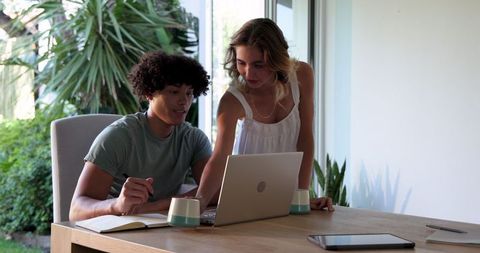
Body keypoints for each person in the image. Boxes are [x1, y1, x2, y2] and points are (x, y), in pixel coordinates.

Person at [195, 18, 334, 212]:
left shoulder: (302, 75)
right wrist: (199, 201)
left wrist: (301, 196)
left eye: (258, 65)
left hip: (287, 198)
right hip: (243, 199)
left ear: (277, 59)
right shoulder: (232, 101)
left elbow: (305, 138)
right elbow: (219, 158)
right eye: (241, 63)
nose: (248, 73)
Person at [69, 51, 212, 221]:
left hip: (163, 227)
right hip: (116, 228)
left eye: (189, 93)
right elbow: (76, 211)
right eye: (174, 92)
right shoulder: (118, 137)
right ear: (149, 94)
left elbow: (216, 189)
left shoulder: (194, 138)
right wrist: (117, 205)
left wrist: (152, 207)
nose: (184, 102)